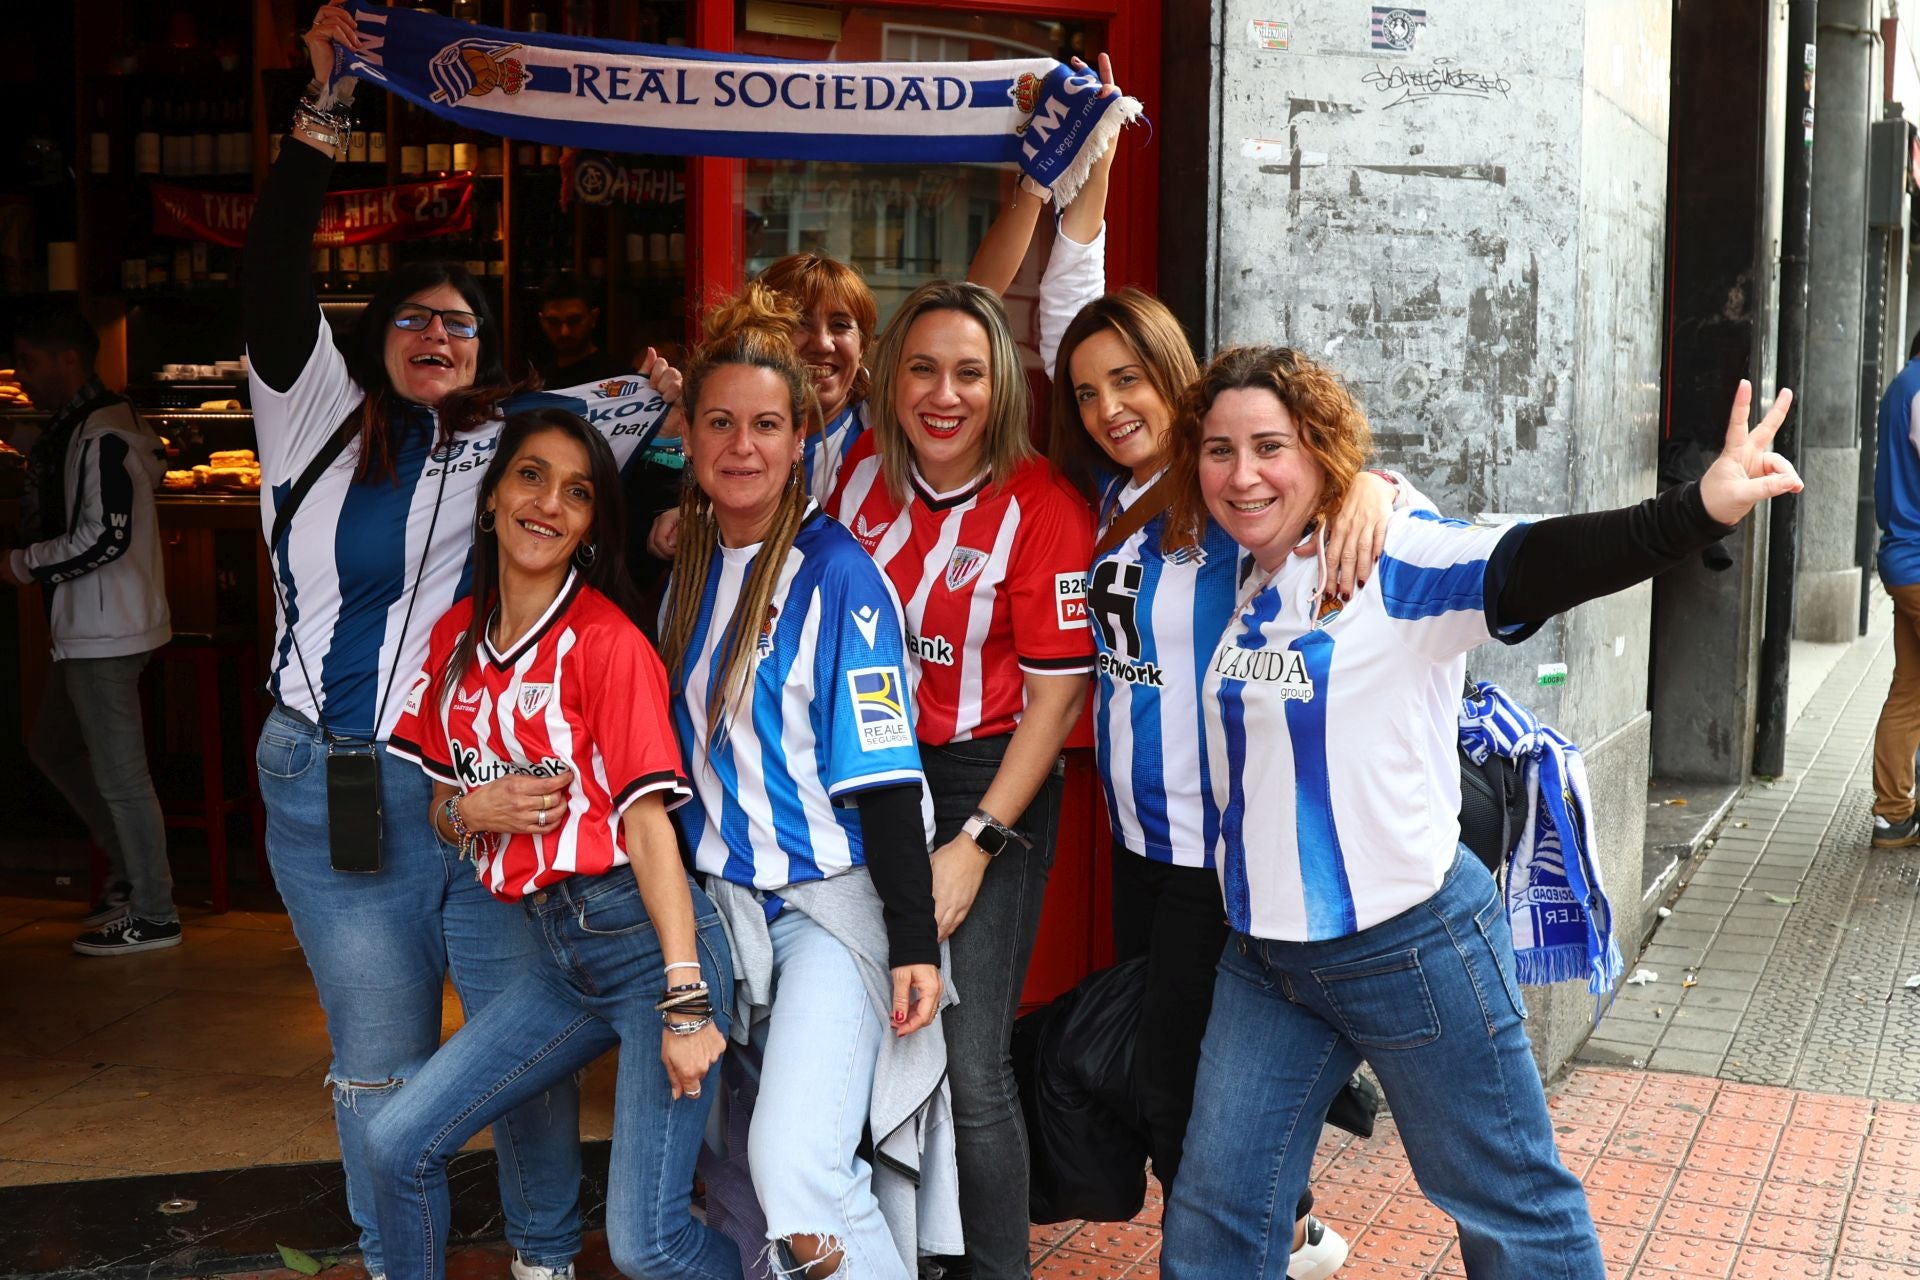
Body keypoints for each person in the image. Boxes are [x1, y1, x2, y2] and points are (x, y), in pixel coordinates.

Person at [1157, 347, 1801, 1280]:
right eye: (1219, 451)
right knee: (1217, 1219)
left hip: (1410, 949)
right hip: (1266, 958)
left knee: (1508, 1209)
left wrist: (1695, 510)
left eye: (1271, 446)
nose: (1242, 473)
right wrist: (1370, 479)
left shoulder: (1397, 557)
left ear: (1319, 449)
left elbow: (1534, 561)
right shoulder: (1240, 563)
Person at [242, 7, 679, 1275]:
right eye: (418, 320)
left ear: (489, 349)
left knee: (519, 1050)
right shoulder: (313, 412)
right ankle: (400, 1263)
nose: (440, 340)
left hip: (479, 784)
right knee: (379, 1059)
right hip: (333, 787)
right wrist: (322, 114)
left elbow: (662, 415)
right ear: (377, 331)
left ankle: (545, 1257)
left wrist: (677, 393)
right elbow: (271, 270)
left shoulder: (510, 436)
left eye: (463, 326)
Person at [1051, 288, 1417, 1280]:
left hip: (1216, 852)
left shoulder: (1228, 501)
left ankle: (1249, 1244)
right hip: (1136, 837)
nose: (1108, 407)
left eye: (1129, 379)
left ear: (1176, 376)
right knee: (1169, 1068)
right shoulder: (1103, 496)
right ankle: (1287, 1224)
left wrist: (1377, 488)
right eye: (1086, 391)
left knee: (1178, 1091)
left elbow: (1334, 484)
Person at [372, 408, 736, 1280]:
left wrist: (686, 1002)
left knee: (650, 1248)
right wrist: (475, 812)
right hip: (557, 953)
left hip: (653, 952)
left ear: (588, 528)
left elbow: (651, 828)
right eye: (530, 476)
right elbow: (442, 807)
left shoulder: (608, 643)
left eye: (576, 492)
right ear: (493, 496)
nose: (548, 503)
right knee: (395, 1145)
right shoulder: (454, 634)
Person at [659, 284, 949, 1278]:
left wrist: (913, 939)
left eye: (768, 424)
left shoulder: (838, 572)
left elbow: (883, 768)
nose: (743, 445)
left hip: (830, 910)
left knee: (799, 1170)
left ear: (801, 437)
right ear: (690, 433)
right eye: (722, 422)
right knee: (742, 1181)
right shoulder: (693, 560)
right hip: (723, 917)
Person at [831, 281, 1093, 1280]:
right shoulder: (856, 475)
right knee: (866, 1033)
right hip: (867, 774)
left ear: (1004, 388)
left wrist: (976, 841)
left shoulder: (1045, 509)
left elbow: (1057, 703)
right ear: (891, 379)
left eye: (971, 372)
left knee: (973, 1063)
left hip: (989, 778)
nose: (945, 394)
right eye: (924, 369)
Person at [3, 307, 177, 955]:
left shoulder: (100, 432)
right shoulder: (89, 423)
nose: (21, 376)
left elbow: (103, 535)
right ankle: (131, 875)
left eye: (28, 361)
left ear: (66, 360)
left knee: (122, 776)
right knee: (52, 743)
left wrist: (20, 564)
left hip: (105, 629)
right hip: (94, 626)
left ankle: (154, 911)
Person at [1870, 329, 1920, 847]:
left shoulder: (1902, 386)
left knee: (1910, 690)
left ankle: (1894, 816)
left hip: (1903, 559)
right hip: (1918, 559)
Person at [532, 274, 636, 389]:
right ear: (542, 321)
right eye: (554, 322)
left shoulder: (620, 379)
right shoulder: (538, 383)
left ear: (593, 318)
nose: (564, 332)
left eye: (574, 320)